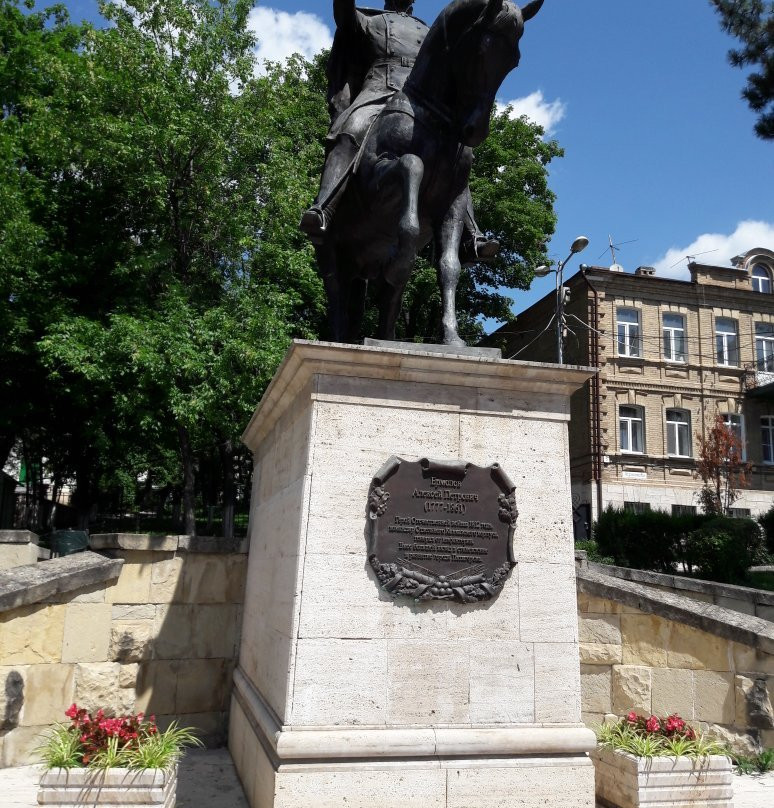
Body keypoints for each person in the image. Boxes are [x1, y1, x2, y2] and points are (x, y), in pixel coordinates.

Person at [300, 0, 498, 263]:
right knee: (351, 128)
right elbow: (345, 16)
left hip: (423, 101)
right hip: (380, 91)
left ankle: (471, 236)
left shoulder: (429, 30)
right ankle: (325, 207)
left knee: (456, 155)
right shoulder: (371, 20)